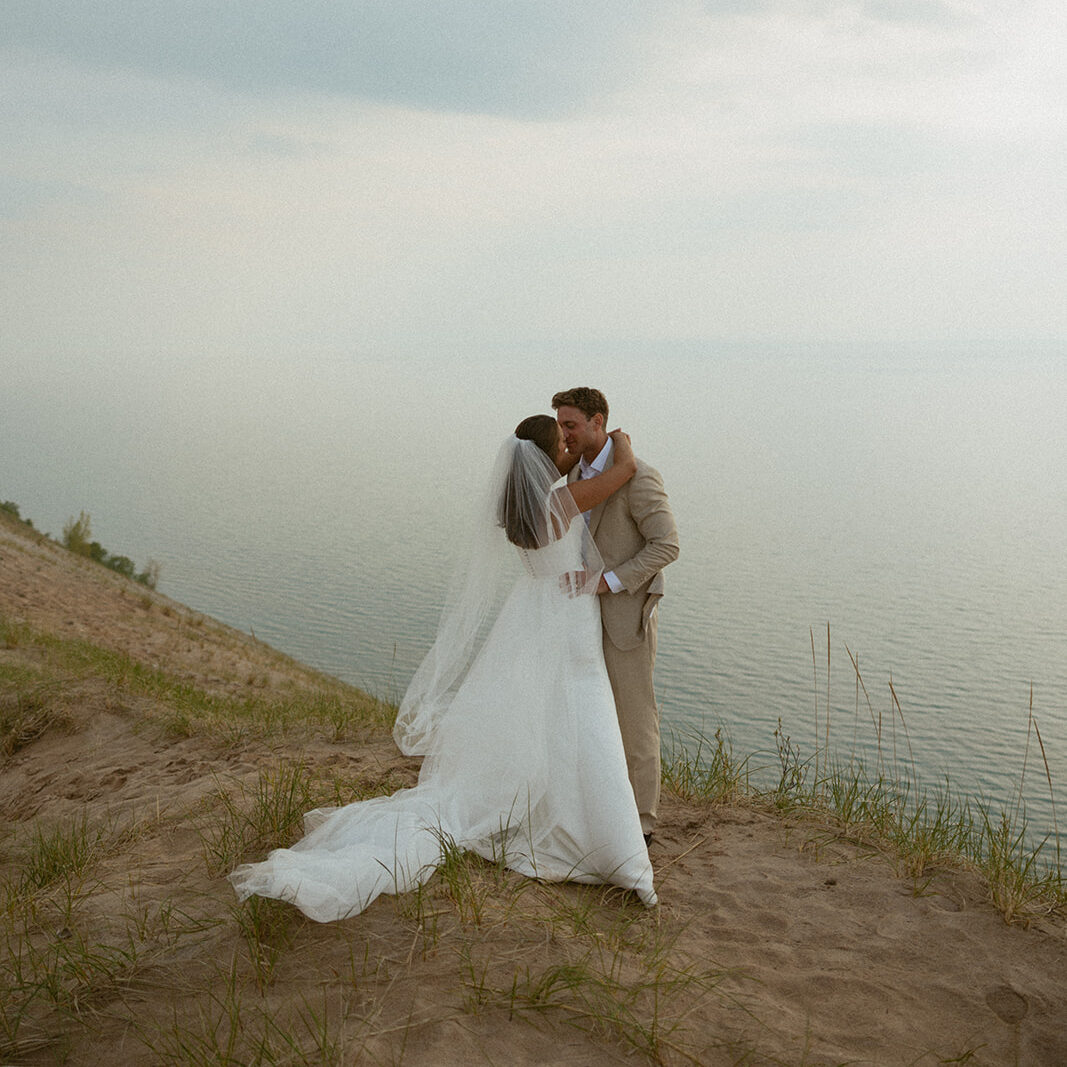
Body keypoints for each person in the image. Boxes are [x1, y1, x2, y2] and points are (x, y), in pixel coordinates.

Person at [228, 415, 655, 921]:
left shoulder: (519, 507)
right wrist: (620, 443)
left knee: (556, 713)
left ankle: (568, 815)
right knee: (580, 712)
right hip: (564, 616)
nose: (569, 449)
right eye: (562, 445)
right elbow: (623, 471)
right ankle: (603, 838)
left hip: (535, 612)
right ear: (544, 460)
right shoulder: (559, 502)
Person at [552, 388, 679, 844]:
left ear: (598, 422)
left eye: (571, 425)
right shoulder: (570, 475)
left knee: (634, 720)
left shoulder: (639, 476)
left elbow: (667, 545)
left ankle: (642, 823)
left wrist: (607, 582)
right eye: (560, 426)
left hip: (625, 617)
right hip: (579, 619)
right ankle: (599, 807)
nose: (564, 435)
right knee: (589, 717)